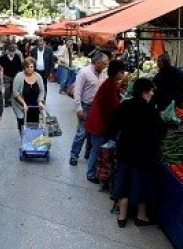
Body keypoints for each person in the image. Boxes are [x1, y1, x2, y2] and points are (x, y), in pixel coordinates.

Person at [111, 78, 166, 228]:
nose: (153, 93)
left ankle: (122, 217)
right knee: (142, 184)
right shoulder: (150, 110)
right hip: (143, 155)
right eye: (151, 90)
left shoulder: (125, 105)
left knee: (124, 182)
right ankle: (141, 217)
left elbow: (115, 123)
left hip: (125, 152)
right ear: (144, 92)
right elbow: (161, 131)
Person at [83, 60, 126, 183]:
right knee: (96, 150)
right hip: (98, 122)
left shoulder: (111, 83)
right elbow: (110, 108)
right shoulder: (110, 85)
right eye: (121, 72)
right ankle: (90, 174)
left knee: (95, 149)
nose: (123, 75)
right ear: (115, 72)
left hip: (97, 121)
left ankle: (94, 172)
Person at [69, 52, 108, 166]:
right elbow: (77, 91)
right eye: (104, 64)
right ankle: (73, 155)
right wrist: (78, 108)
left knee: (93, 132)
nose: (106, 66)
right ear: (98, 62)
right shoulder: (84, 72)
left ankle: (88, 153)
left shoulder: (104, 73)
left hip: (97, 108)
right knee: (82, 133)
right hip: (85, 106)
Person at [12, 57, 46, 133]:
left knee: (34, 122)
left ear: (34, 67)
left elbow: (42, 90)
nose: (29, 69)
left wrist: (40, 101)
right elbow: (16, 93)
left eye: (31, 67)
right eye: (27, 67)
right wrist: (23, 104)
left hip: (34, 103)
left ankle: (33, 138)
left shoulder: (38, 76)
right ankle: (24, 138)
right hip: (20, 104)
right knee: (22, 121)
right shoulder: (19, 76)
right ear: (24, 67)